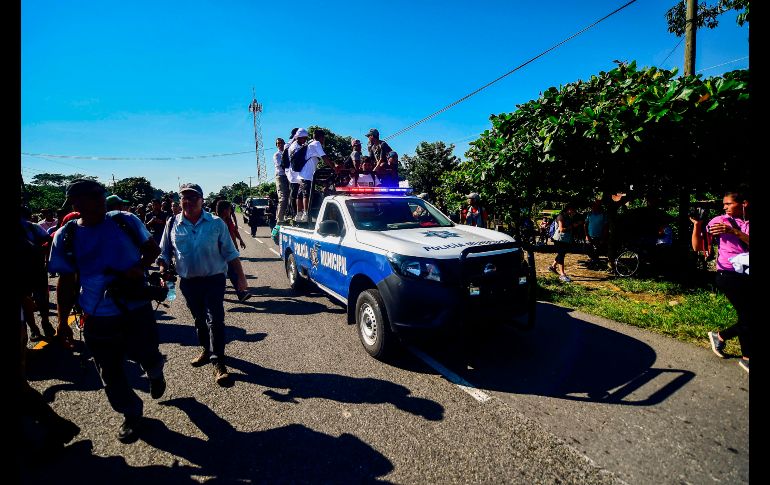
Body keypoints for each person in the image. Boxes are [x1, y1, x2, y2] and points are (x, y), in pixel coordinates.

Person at [48, 179, 167, 444]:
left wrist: (138, 266)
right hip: (96, 316)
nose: (102, 199)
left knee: (146, 353)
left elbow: (152, 249)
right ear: (76, 203)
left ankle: (155, 372)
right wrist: (61, 322)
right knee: (110, 372)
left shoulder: (125, 221)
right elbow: (65, 281)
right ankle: (131, 413)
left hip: (135, 308)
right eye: (94, 196)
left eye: (101, 194)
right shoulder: (65, 236)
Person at [158, 183, 250, 385]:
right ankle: (206, 350)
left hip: (214, 280)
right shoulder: (172, 222)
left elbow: (231, 253)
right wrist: (164, 270)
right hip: (188, 283)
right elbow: (164, 252)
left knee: (215, 320)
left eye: (193, 197)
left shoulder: (216, 223)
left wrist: (241, 278)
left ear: (202, 200)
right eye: (184, 198)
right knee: (199, 320)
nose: (188, 201)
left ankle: (219, 362)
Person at [691, 190, 750, 373]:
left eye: (728, 204)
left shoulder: (745, 223)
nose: (724, 207)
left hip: (747, 272)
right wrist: (698, 226)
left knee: (747, 316)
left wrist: (734, 232)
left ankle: (720, 336)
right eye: (723, 204)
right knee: (747, 314)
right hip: (728, 274)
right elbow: (698, 246)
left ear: (744, 204)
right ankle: (747, 357)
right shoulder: (719, 221)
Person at [295, 128, 337, 223]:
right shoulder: (316, 143)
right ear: (321, 137)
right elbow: (324, 157)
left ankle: (299, 214)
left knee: (300, 195)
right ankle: (306, 214)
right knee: (307, 194)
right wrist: (333, 167)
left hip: (301, 174)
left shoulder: (310, 143)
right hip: (308, 174)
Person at [215, 200, 250, 301]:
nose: (231, 211)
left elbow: (234, 230)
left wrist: (241, 240)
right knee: (222, 274)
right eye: (230, 209)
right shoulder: (215, 222)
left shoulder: (228, 220)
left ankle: (240, 294)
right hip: (219, 253)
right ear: (225, 210)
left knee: (232, 272)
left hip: (230, 250)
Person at [548, 203, 579, 283]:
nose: (574, 211)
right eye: (573, 210)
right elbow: (561, 229)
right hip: (559, 239)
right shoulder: (560, 216)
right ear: (568, 209)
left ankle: (553, 266)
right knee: (561, 254)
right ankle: (562, 274)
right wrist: (573, 226)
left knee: (562, 253)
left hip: (565, 240)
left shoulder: (568, 217)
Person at [584, 200, 608, 267]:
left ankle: (595, 262)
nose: (593, 208)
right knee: (587, 249)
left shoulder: (603, 215)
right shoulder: (589, 214)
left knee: (597, 250)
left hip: (599, 236)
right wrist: (587, 235)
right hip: (590, 235)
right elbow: (585, 225)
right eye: (593, 206)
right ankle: (593, 260)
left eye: (596, 206)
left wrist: (603, 237)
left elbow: (606, 226)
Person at [273, 137, 290, 223]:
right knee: (283, 198)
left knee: (290, 197)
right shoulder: (277, 155)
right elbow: (281, 165)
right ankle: (279, 218)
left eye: (281, 143)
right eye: (278, 143)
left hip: (288, 176)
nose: (280, 145)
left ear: (284, 143)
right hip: (281, 176)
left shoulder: (287, 152)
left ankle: (288, 215)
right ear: (276, 145)